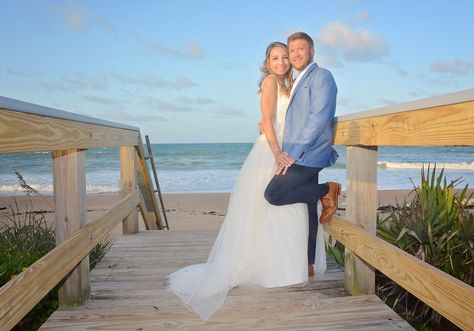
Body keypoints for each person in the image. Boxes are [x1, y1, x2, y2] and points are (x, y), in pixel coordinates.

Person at [167, 41, 327, 321]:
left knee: (289, 210)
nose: (280, 62)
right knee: (267, 207)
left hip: (288, 151)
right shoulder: (269, 82)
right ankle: (271, 267)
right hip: (272, 152)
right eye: (274, 58)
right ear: (267, 63)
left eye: (284, 57)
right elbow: (267, 120)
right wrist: (278, 154)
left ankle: (292, 268)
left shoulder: (293, 84)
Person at [264, 32, 341, 278]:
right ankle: (308, 263)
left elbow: (318, 118)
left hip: (308, 154)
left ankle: (327, 190)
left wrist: (292, 153)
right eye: (292, 50)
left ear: (312, 51)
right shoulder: (296, 79)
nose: (295, 55)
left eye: (301, 49)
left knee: (273, 194)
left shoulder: (322, 76)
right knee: (309, 208)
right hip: (298, 152)